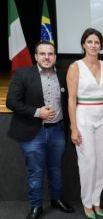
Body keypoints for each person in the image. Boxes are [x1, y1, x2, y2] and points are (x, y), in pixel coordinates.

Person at [6, 41, 74, 219]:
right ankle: (36, 206)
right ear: (36, 56)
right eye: (42, 54)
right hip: (33, 132)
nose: (46, 57)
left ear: (55, 57)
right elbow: (11, 102)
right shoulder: (23, 74)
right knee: (35, 171)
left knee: (56, 168)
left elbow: (70, 100)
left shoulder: (63, 76)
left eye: (50, 54)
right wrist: (38, 112)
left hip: (57, 131)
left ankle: (56, 199)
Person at [66, 28, 103, 219]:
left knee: (101, 161)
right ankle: (87, 202)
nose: (93, 45)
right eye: (90, 42)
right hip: (83, 115)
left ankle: (96, 201)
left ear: (101, 45)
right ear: (83, 44)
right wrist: (74, 127)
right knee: (88, 162)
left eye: (97, 42)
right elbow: (71, 99)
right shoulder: (75, 67)